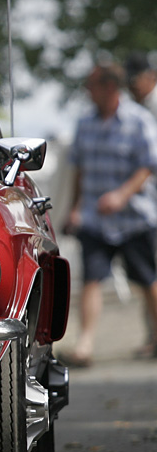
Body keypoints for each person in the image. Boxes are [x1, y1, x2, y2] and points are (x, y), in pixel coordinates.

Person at [62, 61, 157, 366]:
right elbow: (79, 170)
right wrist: (75, 208)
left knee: (147, 280)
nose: (88, 92)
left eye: (92, 85)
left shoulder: (139, 120)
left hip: (134, 218)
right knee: (91, 279)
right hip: (94, 219)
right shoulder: (84, 123)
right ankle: (85, 345)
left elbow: (148, 167)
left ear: (109, 87)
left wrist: (121, 195)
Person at [126, 52, 157, 120]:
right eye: (129, 80)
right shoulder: (129, 100)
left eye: (135, 79)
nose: (133, 85)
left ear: (151, 75)